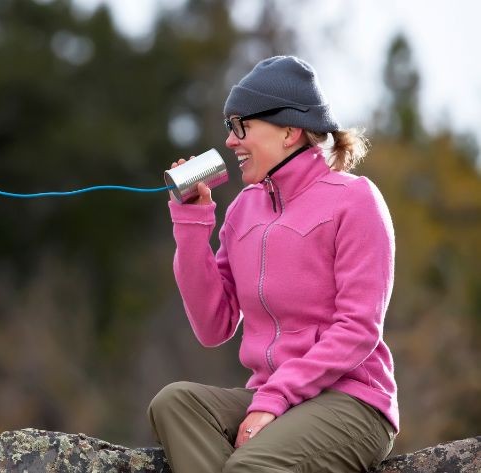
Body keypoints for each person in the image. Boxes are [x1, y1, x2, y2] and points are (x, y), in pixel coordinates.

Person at [148, 56, 398, 472]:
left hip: (352, 402)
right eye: (230, 127)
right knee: (175, 403)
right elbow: (213, 326)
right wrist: (191, 224)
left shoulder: (355, 200)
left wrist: (276, 398)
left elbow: (359, 329)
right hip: (270, 395)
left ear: (289, 131)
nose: (230, 141)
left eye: (240, 126)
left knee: (249, 467)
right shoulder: (243, 210)